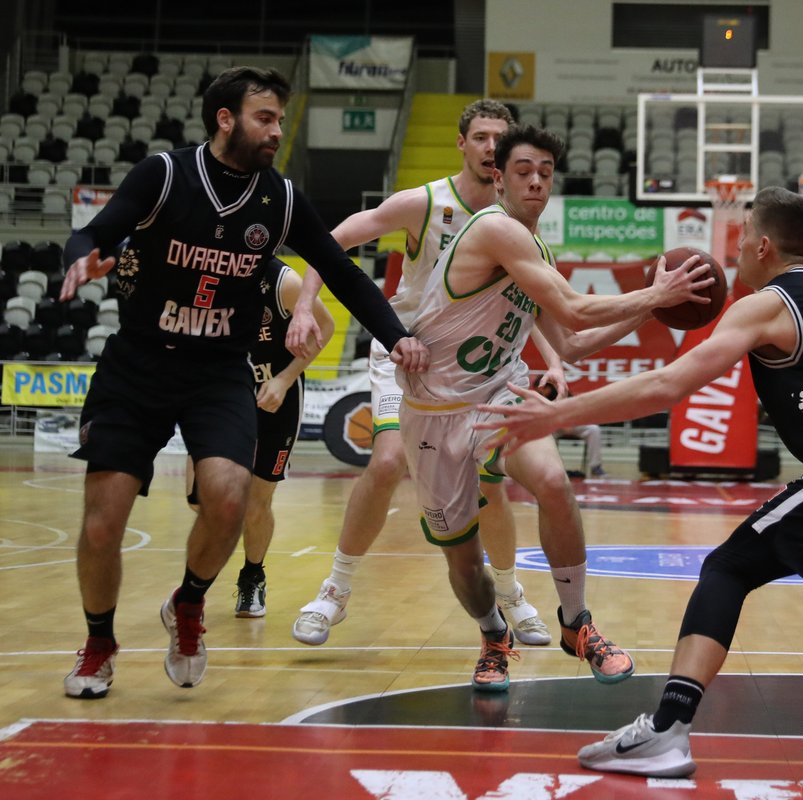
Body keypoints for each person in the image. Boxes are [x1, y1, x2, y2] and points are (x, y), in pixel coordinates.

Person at [478, 186, 803, 776]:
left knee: (728, 567)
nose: (740, 248)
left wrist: (556, 416)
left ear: (765, 246)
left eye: (744, 236)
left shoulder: (770, 301)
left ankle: (668, 730)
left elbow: (667, 386)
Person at [59, 66, 428, 700]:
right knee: (102, 523)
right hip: (138, 364)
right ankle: (99, 643)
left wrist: (396, 335)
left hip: (217, 370)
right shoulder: (165, 173)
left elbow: (342, 272)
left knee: (230, 499)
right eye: (265, 117)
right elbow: (102, 226)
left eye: (281, 119)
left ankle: (190, 603)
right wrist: (78, 252)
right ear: (225, 118)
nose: (276, 131)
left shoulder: (280, 199)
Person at [394, 123, 714, 691]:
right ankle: (494, 635)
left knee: (553, 481)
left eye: (545, 172)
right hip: (434, 410)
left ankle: (577, 624)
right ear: (498, 176)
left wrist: (650, 313)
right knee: (464, 563)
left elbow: (568, 344)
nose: (536, 181)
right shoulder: (494, 229)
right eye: (523, 171)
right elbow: (571, 309)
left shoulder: (535, 248)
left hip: (499, 395)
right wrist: (656, 295)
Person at [284, 100, 564, 649]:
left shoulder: (517, 222)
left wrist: (554, 358)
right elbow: (331, 240)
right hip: (407, 353)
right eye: (480, 137)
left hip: (479, 366)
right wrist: (303, 303)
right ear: (462, 144)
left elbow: (526, 302)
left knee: (491, 483)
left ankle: (509, 593)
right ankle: (334, 590)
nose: (490, 148)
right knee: (387, 461)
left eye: (498, 140)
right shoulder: (426, 201)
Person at [184, 256, 335, 618]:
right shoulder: (202, 270)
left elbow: (325, 327)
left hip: (274, 394)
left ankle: (251, 576)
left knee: (257, 500)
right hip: (220, 390)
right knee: (201, 500)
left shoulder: (284, 281)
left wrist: (284, 379)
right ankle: (197, 583)